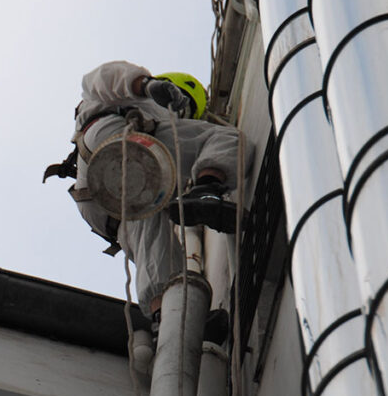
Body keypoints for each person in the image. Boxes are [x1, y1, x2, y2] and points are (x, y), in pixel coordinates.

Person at [45, 60, 253, 319]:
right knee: (227, 138)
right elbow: (98, 79)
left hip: (102, 201)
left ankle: (169, 319)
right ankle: (207, 188)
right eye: (181, 103)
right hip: (115, 140)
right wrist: (146, 85)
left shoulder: (164, 161)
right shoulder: (128, 98)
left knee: (157, 242)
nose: (180, 114)